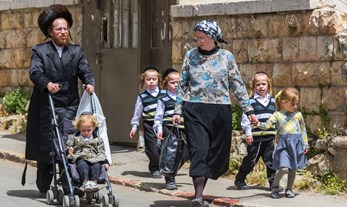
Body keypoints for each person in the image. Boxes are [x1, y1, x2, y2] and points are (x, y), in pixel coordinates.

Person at [172, 20, 257, 207]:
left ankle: (204, 186)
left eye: (202, 38)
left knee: (216, 152)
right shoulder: (190, 56)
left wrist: (249, 110)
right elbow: (183, 84)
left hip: (220, 109)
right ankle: (198, 195)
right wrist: (177, 110)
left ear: (213, 38)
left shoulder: (226, 57)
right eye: (197, 38)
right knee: (199, 150)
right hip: (194, 108)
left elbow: (237, 84)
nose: (199, 42)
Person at [25, 4, 95, 197]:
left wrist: (89, 83)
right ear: (51, 32)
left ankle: (69, 184)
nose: (64, 32)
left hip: (70, 104)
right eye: (59, 29)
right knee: (49, 147)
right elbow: (35, 72)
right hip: (48, 105)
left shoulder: (76, 51)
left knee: (68, 145)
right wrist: (47, 84)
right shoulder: (40, 50)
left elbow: (85, 71)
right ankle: (44, 182)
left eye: (66, 29)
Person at [253, 87, 309, 199]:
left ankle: (289, 189)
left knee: (293, 168)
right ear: (283, 102)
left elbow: (303, 130)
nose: (295, 106)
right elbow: (267, 125)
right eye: (292, 104)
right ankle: (275, 186)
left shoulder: (298, 115)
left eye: (296, 104)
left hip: (296, 144)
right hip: (284, 144)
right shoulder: (277, 115)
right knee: (283, 168)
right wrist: (257, 123)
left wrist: (305, 144)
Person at [234, 71, 277, 190]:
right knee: (251, 160)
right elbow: (246, 119)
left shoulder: (273, 101)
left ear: (268, 85)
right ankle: (240, 179)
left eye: (264, 84)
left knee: (271, 160)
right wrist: (248, 133)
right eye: (258, 84)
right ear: (253, 86)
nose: (261, 87)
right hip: (255, 137)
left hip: (269, 136)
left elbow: (276, 117)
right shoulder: (250, 102)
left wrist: (277, 131)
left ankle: (273, 183)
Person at [153, 68, 189, 190]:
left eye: (178, 82)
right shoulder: (163, 99)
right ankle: (170, 180)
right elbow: (158, 116)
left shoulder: (185, 98)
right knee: (171, 154)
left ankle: (169, 170)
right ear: (165, 84)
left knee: (185, 154)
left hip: (184, 129)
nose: (176, 85)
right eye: (172, 82)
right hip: (169, 129)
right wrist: (159, 129)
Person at [129, 66, 166, 178]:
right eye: (148, 79)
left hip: (163, 124)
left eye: (154, 79)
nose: (151, 82)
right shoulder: (142, 97)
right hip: (149, 125)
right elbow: (137, 112)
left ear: (159, 80)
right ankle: (155, 168)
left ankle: (166, 167)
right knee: (152, 148)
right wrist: (134, 126)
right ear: (144, 81)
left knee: (165, 147)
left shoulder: (164, 94)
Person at [66, 113, 109, 192]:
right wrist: (70, 149)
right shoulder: (74, 138)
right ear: (79, 128)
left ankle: (94, 183)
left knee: (97, 166)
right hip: (80, 157)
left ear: (94, 128)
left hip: (94, 158)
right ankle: (85, 182)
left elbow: (101, 152)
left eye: (89, 130)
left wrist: (106, 162)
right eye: (83, 130)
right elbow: (68, 146)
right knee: (83, 165)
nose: (86, 133)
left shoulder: (98, 140)